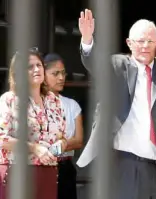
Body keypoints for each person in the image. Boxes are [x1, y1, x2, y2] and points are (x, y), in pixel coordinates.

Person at [76, 9, 156, 199]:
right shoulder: (118, 65)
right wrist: (88, 40)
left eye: (151, 41)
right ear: (129, 43)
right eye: (140, 41)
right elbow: (94, 62)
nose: (146, 46)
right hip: (126, 163)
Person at [0, 48, 67, 199]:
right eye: (30, 67)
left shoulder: (54, 100)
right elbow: (1, 139)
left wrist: (57, 148)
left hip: (48, 172)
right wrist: (35, 148)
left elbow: (62, 137)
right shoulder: (9, 99)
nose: (36, 69)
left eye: (39, 65)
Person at [44, 53, 84, 199]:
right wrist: (65, 142)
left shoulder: (72, 105)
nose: (61, 78)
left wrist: (51, 148)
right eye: (55, 73)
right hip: (39, 167)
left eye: (63, 73)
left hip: (65, 166)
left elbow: (78, 140)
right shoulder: (34, 103)